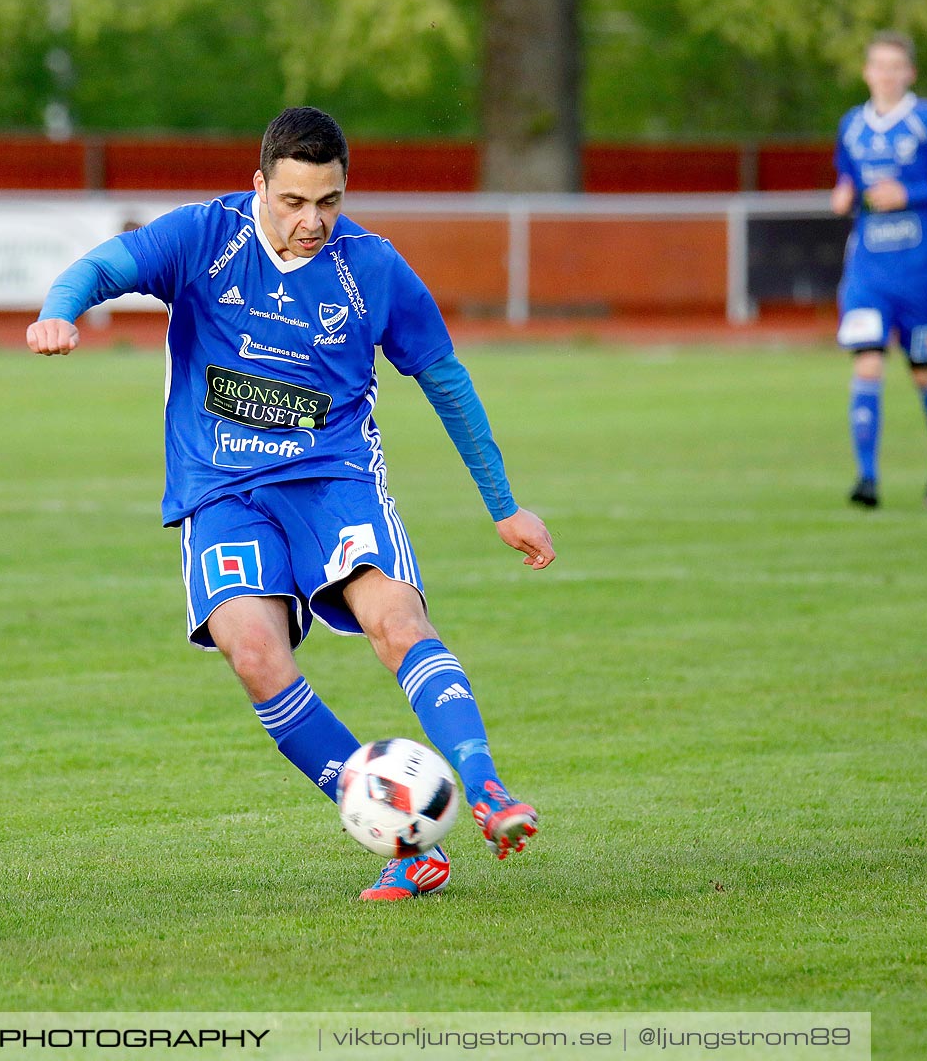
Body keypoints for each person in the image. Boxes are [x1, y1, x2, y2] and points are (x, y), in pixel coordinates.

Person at [27, 107, 556, 901]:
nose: (312, 222)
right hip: (224, 490)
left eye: (329, 202)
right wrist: (60, 310)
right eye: (294, 201)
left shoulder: (371, 267)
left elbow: (445, 379)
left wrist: (504, 504)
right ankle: (402, 834)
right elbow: (103, 267)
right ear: (259, 186)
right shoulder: (205, 238)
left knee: (397, 621)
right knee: (253, 653)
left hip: (336, 480)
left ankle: (483, 788)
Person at [830, 31, 927, 509]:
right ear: (866, 72)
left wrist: (910, 195)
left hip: (918, 268)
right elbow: (847, 172)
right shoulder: (852, 124)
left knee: (922, 372)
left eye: (896, 66)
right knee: (868, 360)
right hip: (869, 267)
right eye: (879, 65)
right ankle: (867, 480)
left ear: (909, 73)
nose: (887, 74)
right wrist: (844, 191)